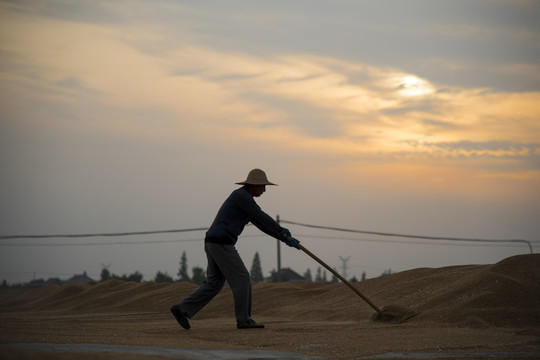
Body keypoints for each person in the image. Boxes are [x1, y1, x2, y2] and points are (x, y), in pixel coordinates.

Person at [170, 168, 300, 330]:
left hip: (213, 241)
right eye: (262, 186)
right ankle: (243, 320)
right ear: (253, 185)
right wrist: (281, 231)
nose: (265, 190)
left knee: (214, 283)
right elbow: (262, 217)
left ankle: (182, 309)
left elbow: (261, 225)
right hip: (222, 242)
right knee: (242, 278)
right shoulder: (242, 197)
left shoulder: (245, 200)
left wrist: (283, 238)